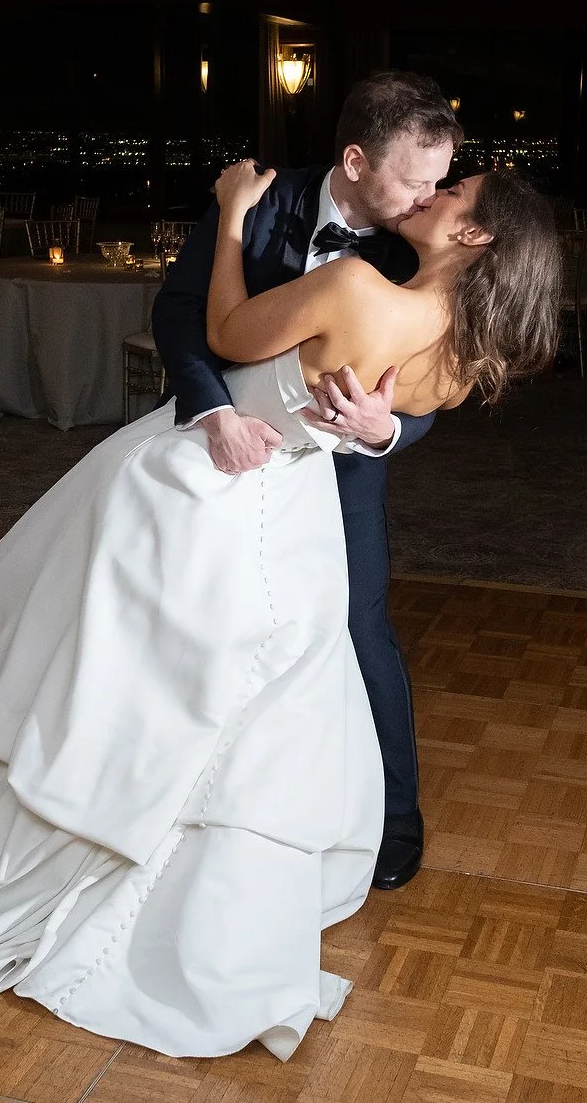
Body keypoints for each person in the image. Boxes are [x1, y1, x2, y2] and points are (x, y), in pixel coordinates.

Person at [0, 159, 561, 1060]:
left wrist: (234, 216)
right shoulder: (461, 353)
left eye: (455, 195)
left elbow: (222, 329)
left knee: (127, 683)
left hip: (205, 492)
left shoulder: (357, 285)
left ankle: (92, 844)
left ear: (475, 234)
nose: (434, 196)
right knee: (240, 719)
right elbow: (393, 418)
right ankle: (207, 905)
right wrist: (383, 432)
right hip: (298, 526)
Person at [153, 71, 463, 894]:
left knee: (360, 626)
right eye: (416, 178)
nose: (429, 198)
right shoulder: (257, 203)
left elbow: (434, 382)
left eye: (440, 181)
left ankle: (395, 821)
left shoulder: (418, 246)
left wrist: (388, 430)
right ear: (356, 160)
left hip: (342, 472)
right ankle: (190, 807)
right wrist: (213, 411)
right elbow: (182, 310)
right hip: (229, 449)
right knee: (202, 625)